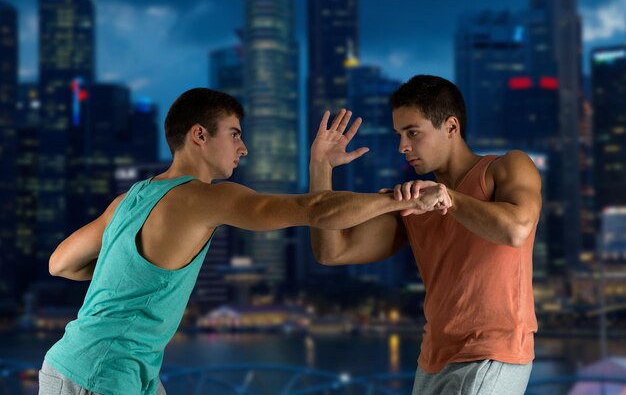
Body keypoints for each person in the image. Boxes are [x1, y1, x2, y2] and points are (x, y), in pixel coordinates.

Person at [39, 88, 450, 395]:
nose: (244, 148)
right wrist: (403, 200)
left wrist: (128, 271)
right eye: (234, 134)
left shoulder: (128, 200)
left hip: (82, 365)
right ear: (199, 135)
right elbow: (317, 211)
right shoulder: (208, 197)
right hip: (104, 375)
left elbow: (61, 263)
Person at [309, 75, 541, 395]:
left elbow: (517, 229)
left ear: (451, 127)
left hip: (493, 352)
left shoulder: (507, 167)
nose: (403, 147)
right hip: (432, 359)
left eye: (413, 133)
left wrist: (447, 197)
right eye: (399, 135)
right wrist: (320, 168)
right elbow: (331, 252)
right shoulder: (412, 202)